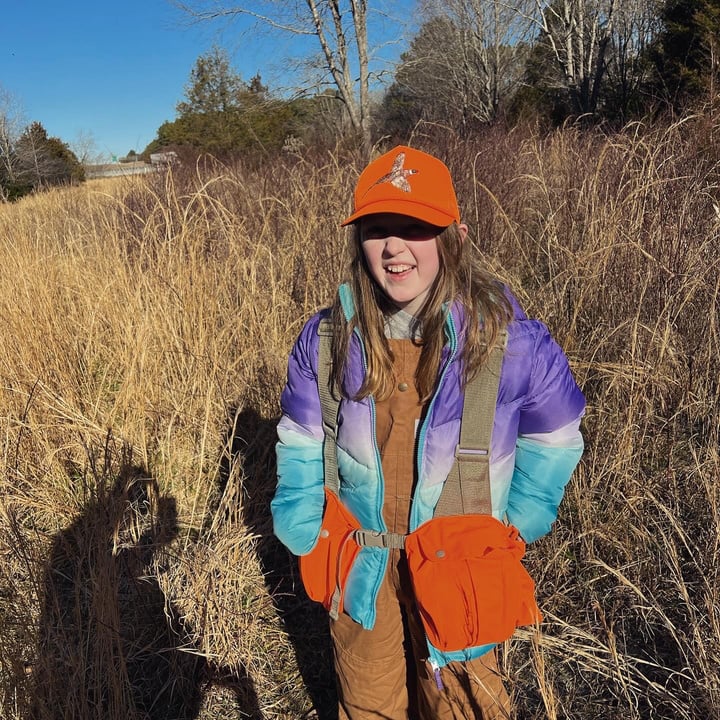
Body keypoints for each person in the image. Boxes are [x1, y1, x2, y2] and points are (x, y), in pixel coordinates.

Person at [271, 146, 585, 719]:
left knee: (465, 704)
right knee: (367, 701)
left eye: (415, 227)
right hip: (361, 567)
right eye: (377, 229)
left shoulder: (510, 344)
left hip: (463, 575)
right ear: (357, 239)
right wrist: (304, 527)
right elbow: (299, 437)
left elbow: (558, 433)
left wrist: (519, 519)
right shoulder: (325, 340)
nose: (394, 247)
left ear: (454, 237)